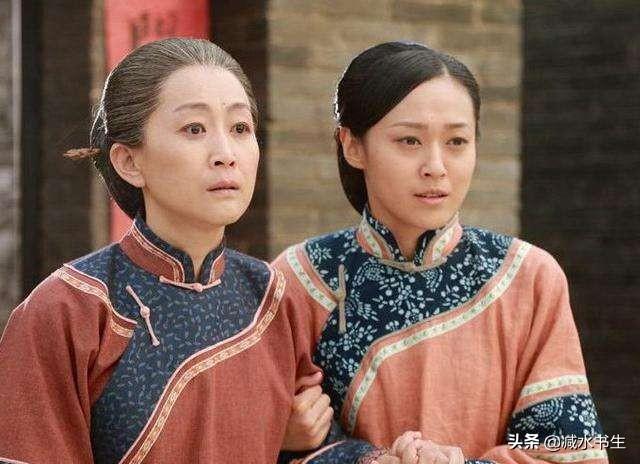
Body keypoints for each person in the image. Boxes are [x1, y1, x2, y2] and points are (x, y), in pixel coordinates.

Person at [0, 37, 332, 464]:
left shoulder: (271, 296)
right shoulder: (71, 309)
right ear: (128, 162)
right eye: (194, 129)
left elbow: (320, 442)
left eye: (240, 128)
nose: (226, 154)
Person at [276, 42, 608, 463]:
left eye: (456, 141)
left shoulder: (527, 278)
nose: (436, 166)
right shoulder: (299, 279)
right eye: (410, 140)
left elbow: (570, 450)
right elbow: (251, 433)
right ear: (353, 146)